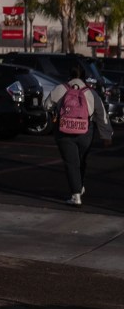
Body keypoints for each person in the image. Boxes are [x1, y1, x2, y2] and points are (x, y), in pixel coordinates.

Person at [44, 66, 114, 206]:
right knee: (81, 161)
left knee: (71, 163)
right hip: (86, 132)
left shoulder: (61, 88)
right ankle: (79, 186)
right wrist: (106, 135)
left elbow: (46, 105)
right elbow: (102, 115)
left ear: (69, 75)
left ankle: (76, 195)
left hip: (64, 131)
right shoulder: (90, 92)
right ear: (84, 77)